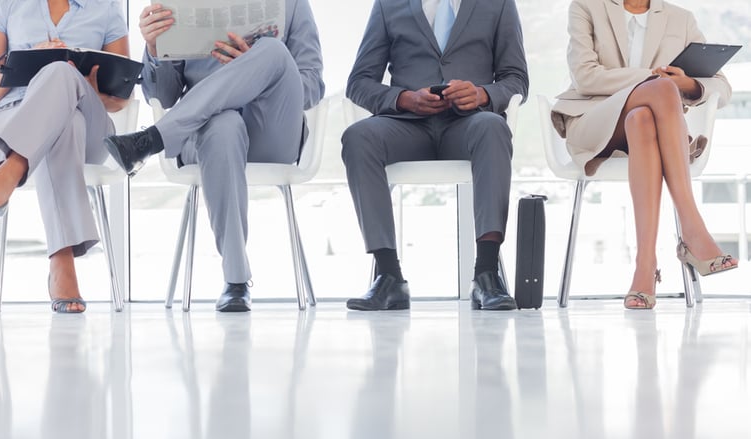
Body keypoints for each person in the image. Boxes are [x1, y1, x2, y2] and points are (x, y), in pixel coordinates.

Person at [104, 1, 325, 312]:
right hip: (208, 134)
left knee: (273, 51)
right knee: (223, 126)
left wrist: (257, 68)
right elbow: (163, 96)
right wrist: (154, 49)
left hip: (272, 130)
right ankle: (236, 281)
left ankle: (150, 140)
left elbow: (313, 84)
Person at [341, 0, 529, 311]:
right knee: (358, 137)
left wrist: (482, 94)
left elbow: (516, 78)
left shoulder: (498, 4)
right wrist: (403, 98)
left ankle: (486, 274)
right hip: (406, 126)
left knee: (492, 127)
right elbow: (358, 82)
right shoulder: (388, 5)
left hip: (468, 124)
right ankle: (389, 276)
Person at [551, 0, 738, 310]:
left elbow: (722, 89)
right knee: (661, 90)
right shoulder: (586, 7)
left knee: (642, 119)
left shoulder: (681, 19)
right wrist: (656, 80)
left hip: (651, 125)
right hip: (593, 118)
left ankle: (645, 268)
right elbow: (586, 77)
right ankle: (693, 229)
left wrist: (686, 83)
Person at [0, 0, 131, 313]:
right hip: (13, 118)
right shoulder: (7, 6)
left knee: (63, 76)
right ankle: (62, 267)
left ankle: (9, 172)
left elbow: (120, 99)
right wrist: (19, 67)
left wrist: (87, 88)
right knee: (66, 124)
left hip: (90, 121)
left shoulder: (106, 8)